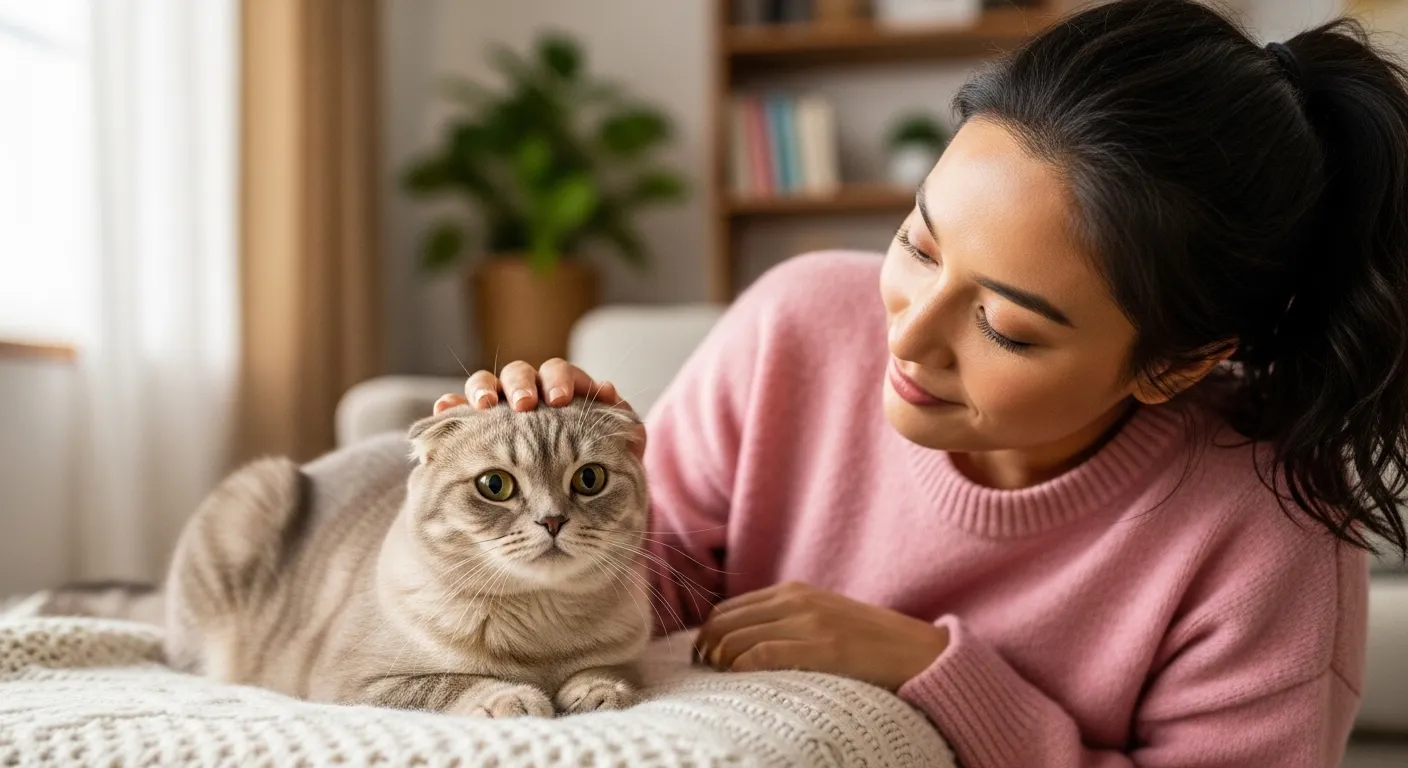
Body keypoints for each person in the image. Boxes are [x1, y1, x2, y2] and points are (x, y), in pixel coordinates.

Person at [431, 0, 1408, 764]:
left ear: (1175, 363)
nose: (907, 335)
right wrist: (557, 485)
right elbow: (650, 594)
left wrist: (932, 670)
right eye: (918, 243)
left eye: (1005, 327)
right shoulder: (795, 323)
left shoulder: (1268, 533)